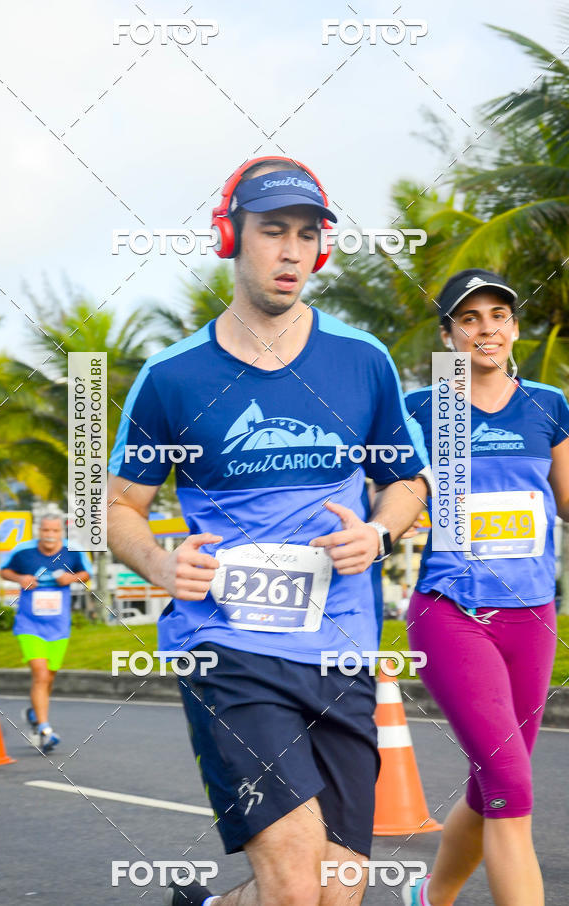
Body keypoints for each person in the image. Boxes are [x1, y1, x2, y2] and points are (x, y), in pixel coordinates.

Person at [107, 155, 431, 906]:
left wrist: (380, 533)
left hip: (343, 643)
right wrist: (159, 564)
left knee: (338, 890)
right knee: (293, 881)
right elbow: (119, 507)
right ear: (232, 237)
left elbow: (407, 483)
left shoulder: (363, 360)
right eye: (272, 231)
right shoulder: (173, 377)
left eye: (307, 234)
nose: (292, 252)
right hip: (228, 645)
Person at [402, 269, 569, 906]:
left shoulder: (548, 404)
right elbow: (387, 489)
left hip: (533, 616)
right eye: (469, 319)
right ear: (448, 335)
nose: (486, 328)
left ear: (515, 327)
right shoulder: (422, 410)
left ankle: (430, 898)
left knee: (497, 780)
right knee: (510, 783)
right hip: (452, 611)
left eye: (498, 314)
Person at [0, 513, 91, 753]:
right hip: (29, 624)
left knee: (48, 677)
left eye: (54, 531)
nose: (50, 535)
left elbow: (86, 574)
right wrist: (21, 577)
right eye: (45, 530)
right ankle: (44, 729)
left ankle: (34, 712)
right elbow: (4, 570)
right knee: (40, 673)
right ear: (39, 530)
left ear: (61, 532)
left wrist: (69, 578)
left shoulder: (74, 551)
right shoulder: (23, 551)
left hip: (59, 626)